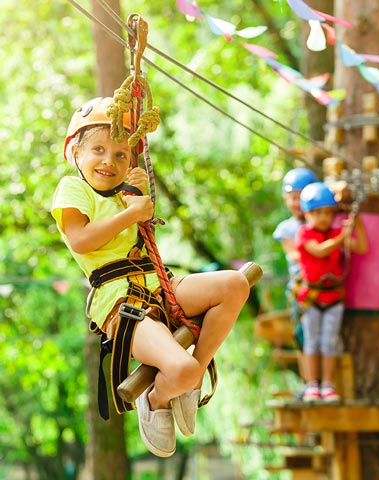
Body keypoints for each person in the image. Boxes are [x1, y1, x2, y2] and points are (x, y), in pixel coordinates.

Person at [51, 97, 250, 458]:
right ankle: (156, 399)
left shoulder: (126, 196)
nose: (109, 161)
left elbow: (140, 235)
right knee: (181, 369)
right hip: (121, 303)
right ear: (75, 153)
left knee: (235, 284)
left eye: (121, 155)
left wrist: (136, 198)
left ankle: (192, 378)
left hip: (158, 283)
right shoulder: (72, 189)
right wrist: (132, 213)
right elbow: (80, 240)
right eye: (97, 149)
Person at [295, 182, 367, 402]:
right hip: (312, 298)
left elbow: (361, 247)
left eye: (327, 212)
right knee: (311, 341)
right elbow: (319, 250)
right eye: (317, 213)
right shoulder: (304, 234)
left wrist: (356, 224)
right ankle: (311, 385)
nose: (323, 218)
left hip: (334, 298)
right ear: (307, 213)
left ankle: (327, 384)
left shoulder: (336, 232)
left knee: (329, 342)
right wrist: (341, 236)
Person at [272, 167, 317, 393]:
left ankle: (323, 383)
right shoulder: (287, 229)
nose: (296, 203)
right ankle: (309, 383)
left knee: (325, 338)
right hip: (301, 290)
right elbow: (297, 255)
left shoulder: (321, 223)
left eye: (300, 197)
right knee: (302, 337)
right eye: (291, 198)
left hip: (326, 288)